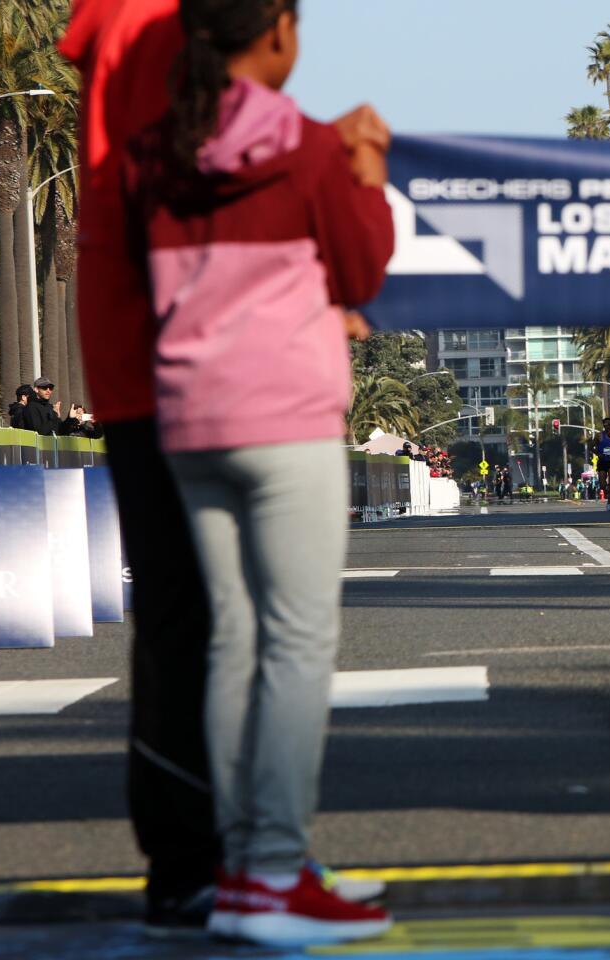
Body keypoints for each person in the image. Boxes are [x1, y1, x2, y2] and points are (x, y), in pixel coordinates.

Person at [124, 0, 394, 945]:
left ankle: (241, 868)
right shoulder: (308, 144)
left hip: (190, 420)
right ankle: (275, 870)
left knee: (233, 640)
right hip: (283, 420)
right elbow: (361, 267)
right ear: (276, 30)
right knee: (295, 642)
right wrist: (367, 170)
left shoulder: (153, 151)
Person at [59, 0, 221, 939]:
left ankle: (194, 858)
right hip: (179, 356)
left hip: (146, 352)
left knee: (183, 611)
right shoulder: (157, 21)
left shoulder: (133, 18)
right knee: (192, 614)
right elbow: (171, 184)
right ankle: (196, 860)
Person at [591, 418, 610, 511]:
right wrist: (597, 453)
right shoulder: (599, 436)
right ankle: (606, 491)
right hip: (602, 462)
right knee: (602, 485)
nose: (606, 427)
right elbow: (591, 447)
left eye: (608, 425)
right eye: (604, 425)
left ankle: (609, 503)